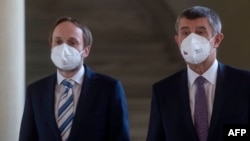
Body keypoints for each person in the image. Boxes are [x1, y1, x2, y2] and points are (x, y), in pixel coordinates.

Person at [146, 6, 250, 141]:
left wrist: (230, 133)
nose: (192, 40)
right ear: (177, 41)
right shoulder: (163, 91)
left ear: (217, 39)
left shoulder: (244, 83)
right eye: (185, 33)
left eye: (200, 32)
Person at [19, 16, 130, 141]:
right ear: (51, 47)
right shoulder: (36, 92)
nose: (64, 49)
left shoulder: (109, 89)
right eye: (58, 42)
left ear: (86, 51)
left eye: (72, 42)